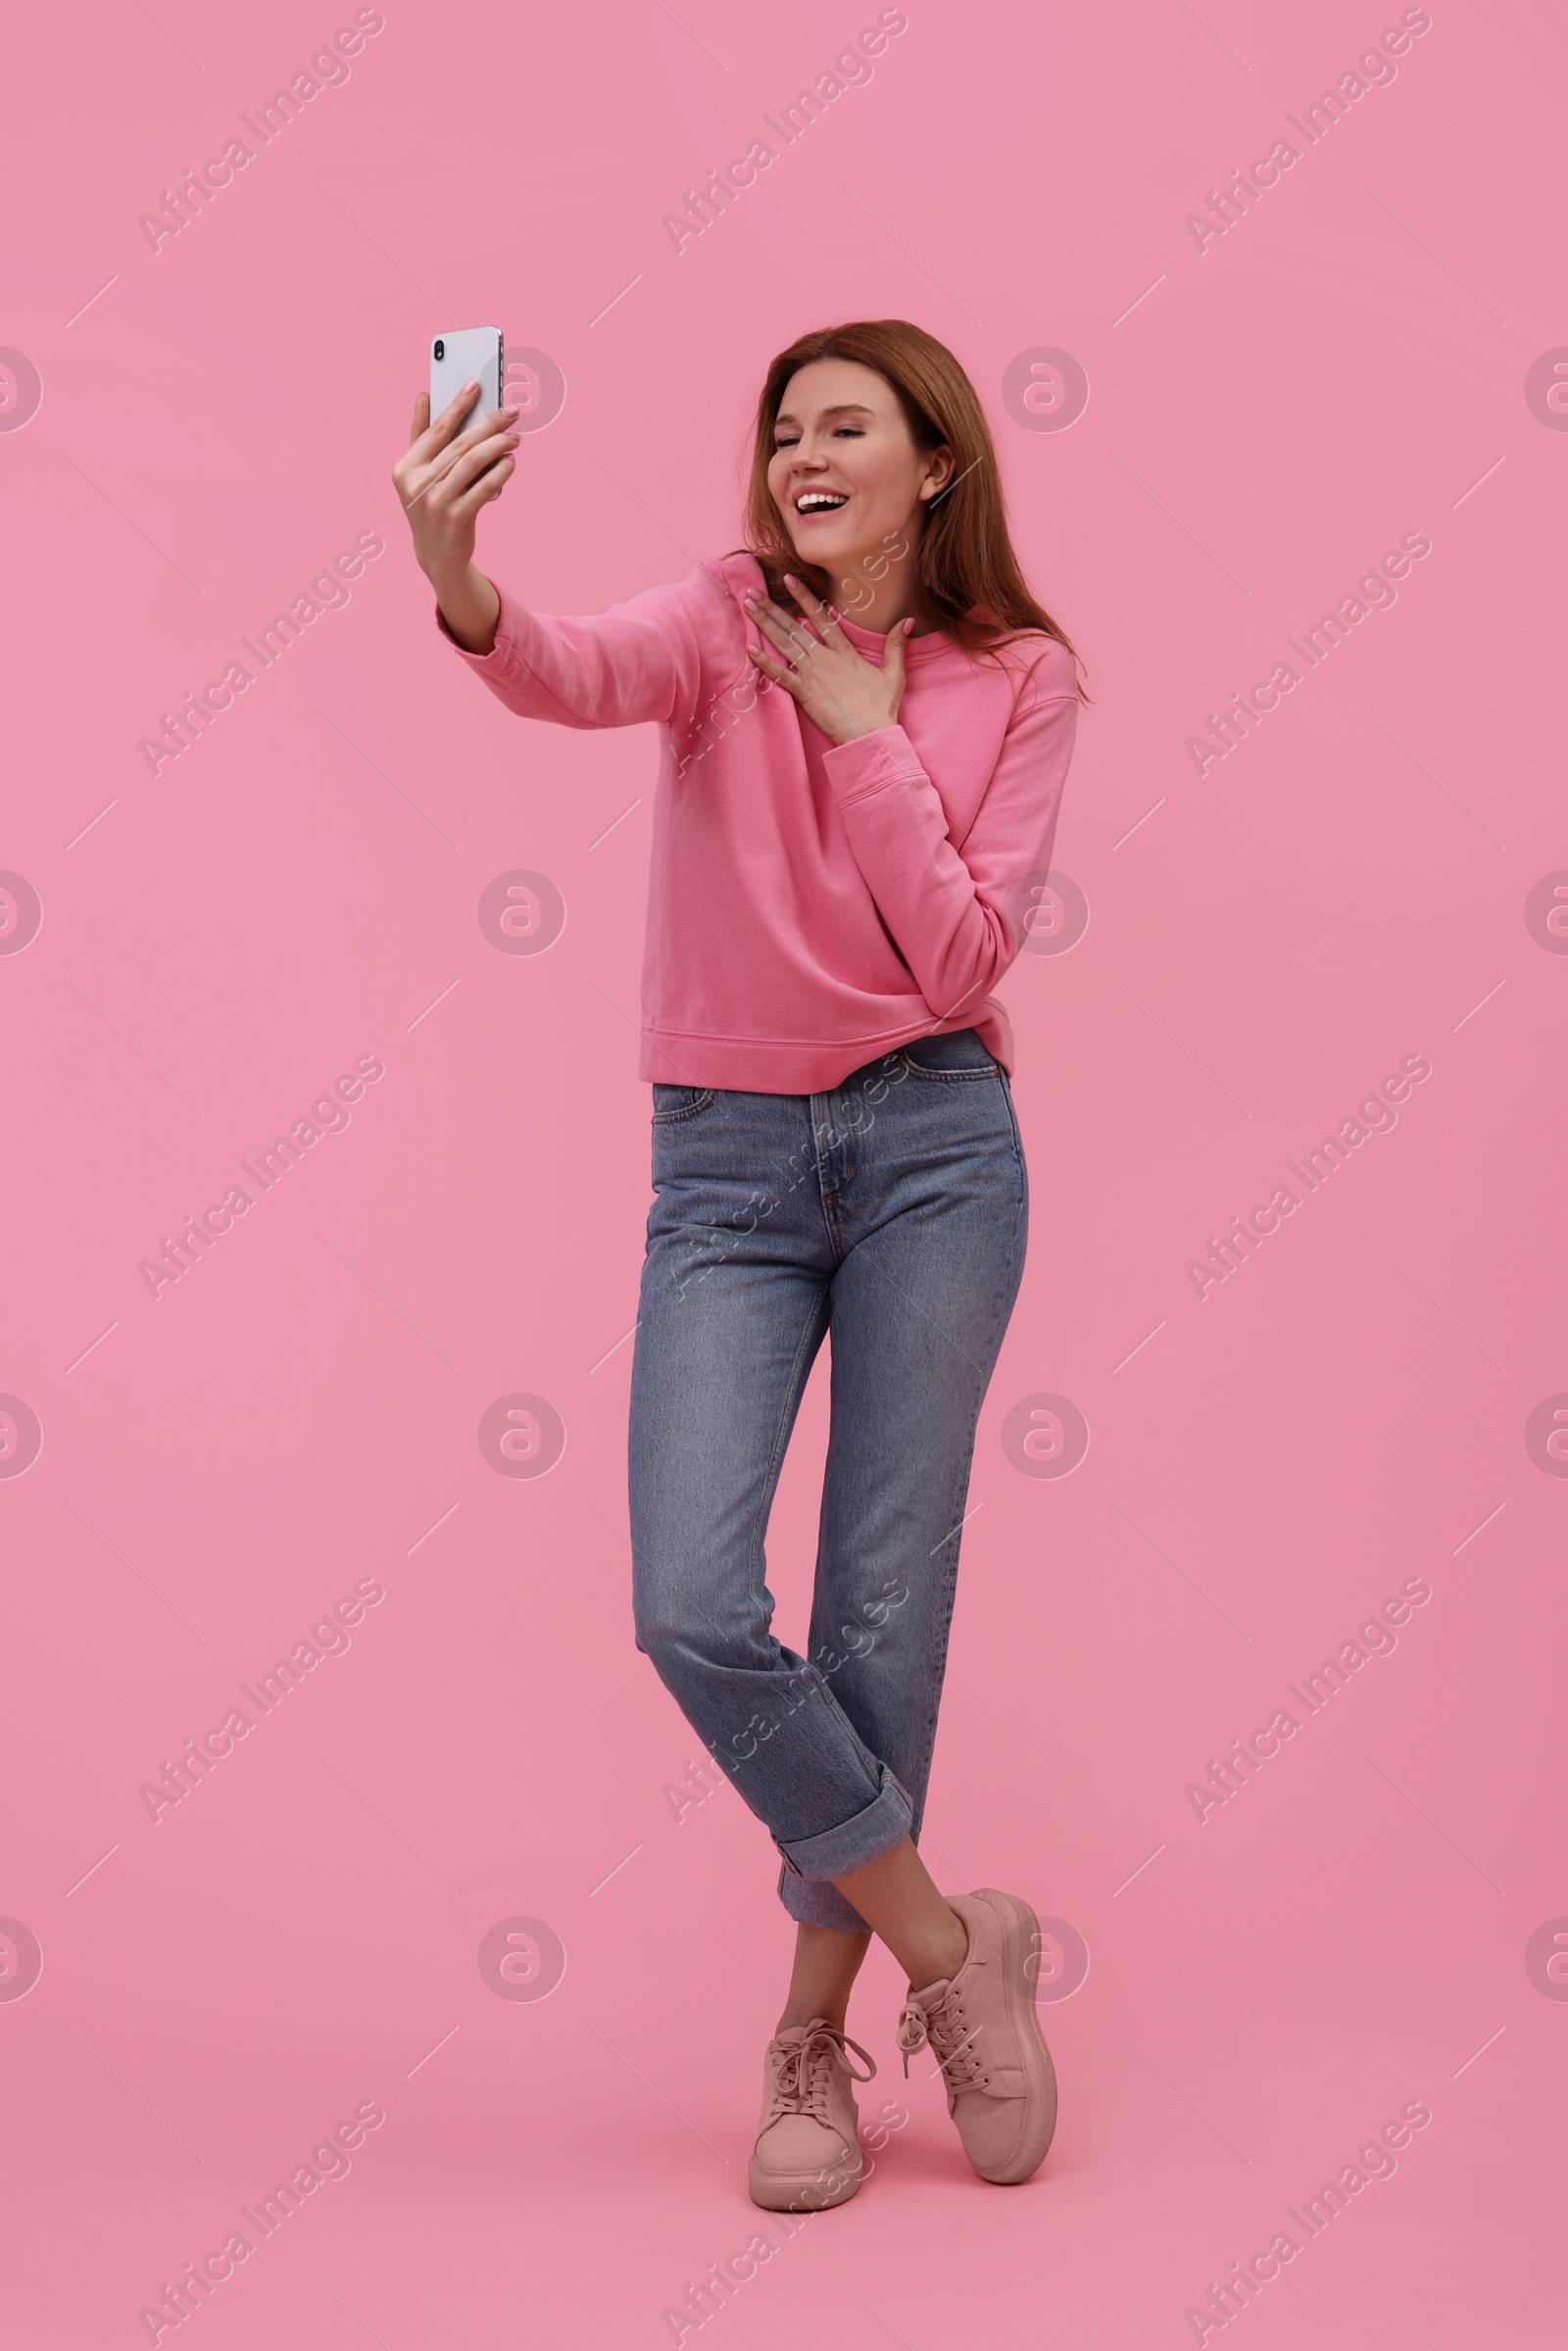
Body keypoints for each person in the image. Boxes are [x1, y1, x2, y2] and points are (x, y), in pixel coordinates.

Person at [393, 318, 1083, 2210]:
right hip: (728, 1165)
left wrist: (865, 741)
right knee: (692, 1599)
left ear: (933, 464)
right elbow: (563, 671)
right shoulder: (716, 621)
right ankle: (955, 1949)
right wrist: (460, 577)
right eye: (782, 428)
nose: (799, 455)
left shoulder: (1020, 677)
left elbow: (959, 965)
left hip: (941, 1146)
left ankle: (811, 2037)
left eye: (842, 426)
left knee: (880, 1616)